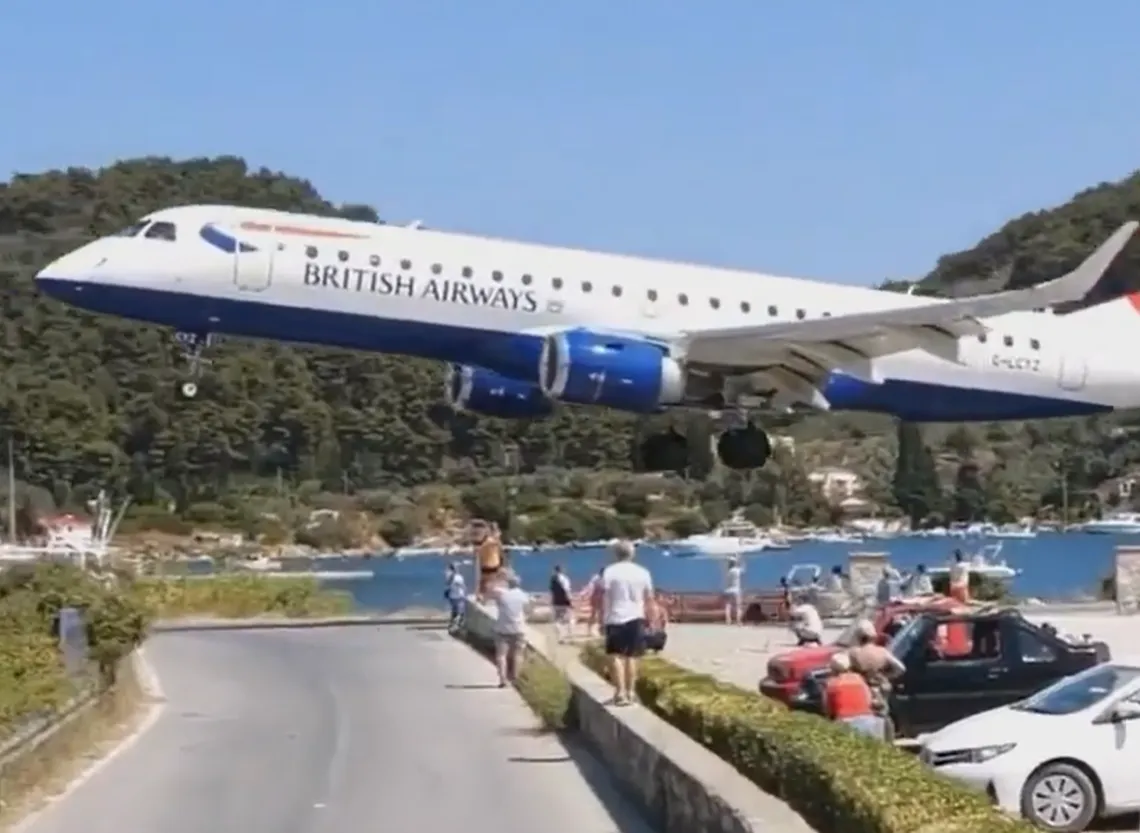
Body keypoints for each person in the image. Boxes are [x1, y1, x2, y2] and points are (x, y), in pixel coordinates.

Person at [601, 539, 656, 706]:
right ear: (632, 554)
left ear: (616, 554)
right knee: (632, 656)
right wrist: (652, 619)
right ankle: (631, 692)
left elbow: (604, 597)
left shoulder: (610, 572)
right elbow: (649, 599)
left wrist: (601, 618)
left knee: (615, 655)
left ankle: (620, 692)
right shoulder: (643, 572)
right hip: (636, 616)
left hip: (615, 616)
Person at [847, 618, 906, 740]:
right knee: (883, 715)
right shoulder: (882, 652)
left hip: (863, 688)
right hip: (881, 687)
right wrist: (887, 676)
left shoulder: (854, 653)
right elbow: (901, 668)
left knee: (864, 716)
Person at [822, 652, 885, 740]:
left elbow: (828, 709)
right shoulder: (859, 679)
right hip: (868, 720)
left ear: (833, 669)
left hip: (845, 722)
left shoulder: (832, 684)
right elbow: (869, 700)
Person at [492, 571, 530, 688]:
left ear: (509, 584)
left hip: (503, 629)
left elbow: (493, 592)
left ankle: (503, 679)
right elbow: (528, 611)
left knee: (501, 655)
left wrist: (499, 577)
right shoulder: (524, 596)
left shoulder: (503, 595)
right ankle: (515, 678)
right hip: (518, 629)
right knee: (518, 654)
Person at [474, 522, 503, 600]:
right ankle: (484, 595)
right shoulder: (491, 541)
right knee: (487, 581)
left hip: (490, 564)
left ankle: (483, 596)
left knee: (486, 581)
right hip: (490, 564)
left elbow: (495, 547)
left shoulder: (490, 541)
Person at [549, 564, 574, 642]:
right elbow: (567, 591)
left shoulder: (552, 579)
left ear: (554, 570)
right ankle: (569, 635)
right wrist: (570, 601)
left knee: (557, 620)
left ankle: (560, 637)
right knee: (568, 619)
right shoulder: (565, 579)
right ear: (562, 570)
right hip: (565, 602)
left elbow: (551, 591)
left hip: (555, 602)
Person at [444, 562, 467, 634]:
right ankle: (456, 628)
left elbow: (448, 584)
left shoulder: (449, 576)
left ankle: (451, 626)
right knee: (461, 613)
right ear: (455, 569)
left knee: (454, 612)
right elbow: (463, 586)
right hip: (459, 597)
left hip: (452, 596)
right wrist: (466, 594)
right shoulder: (458, 577)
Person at [723, 555, 744, 625]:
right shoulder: (737, 570)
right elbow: (743, 569)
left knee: (728, 606)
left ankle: (728, 620)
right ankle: (738, 621)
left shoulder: (728, 572)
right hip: (736, 590)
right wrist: (740, 559)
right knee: (738, 606)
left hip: (728, 590)